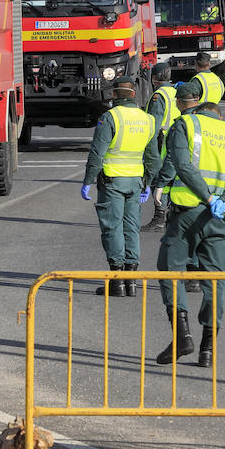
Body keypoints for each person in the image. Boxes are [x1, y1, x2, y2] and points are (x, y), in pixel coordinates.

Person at [154, 79, 225, 367]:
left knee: (170, 270)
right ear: (218, 116)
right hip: (220, 219)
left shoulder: (185, 125)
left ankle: (182, 336)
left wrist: (206, 197)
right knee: (215, 280)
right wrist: (222, 200)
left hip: (188, 213)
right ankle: (208, 349)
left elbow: (182, 166)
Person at [81, 76, 161, 296]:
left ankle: (116, 281)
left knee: (113, 227)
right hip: (136, 181)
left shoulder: (110, 118)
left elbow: (98, 152)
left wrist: (88, 181)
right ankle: (131, 281)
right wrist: (148, 183)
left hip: (112, 181)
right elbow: (153, 157)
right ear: (134, 94)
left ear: (114, 94)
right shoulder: (147, 120)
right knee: (131, 228)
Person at [141, 62, 180, 231]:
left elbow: (153, 125)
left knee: (158, 179)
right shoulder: (174, 91)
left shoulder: (158, 96)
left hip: (161, 142)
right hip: (177, 139)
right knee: (172, 179)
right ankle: (171, 215)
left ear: (154, 78)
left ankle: (160, 216)